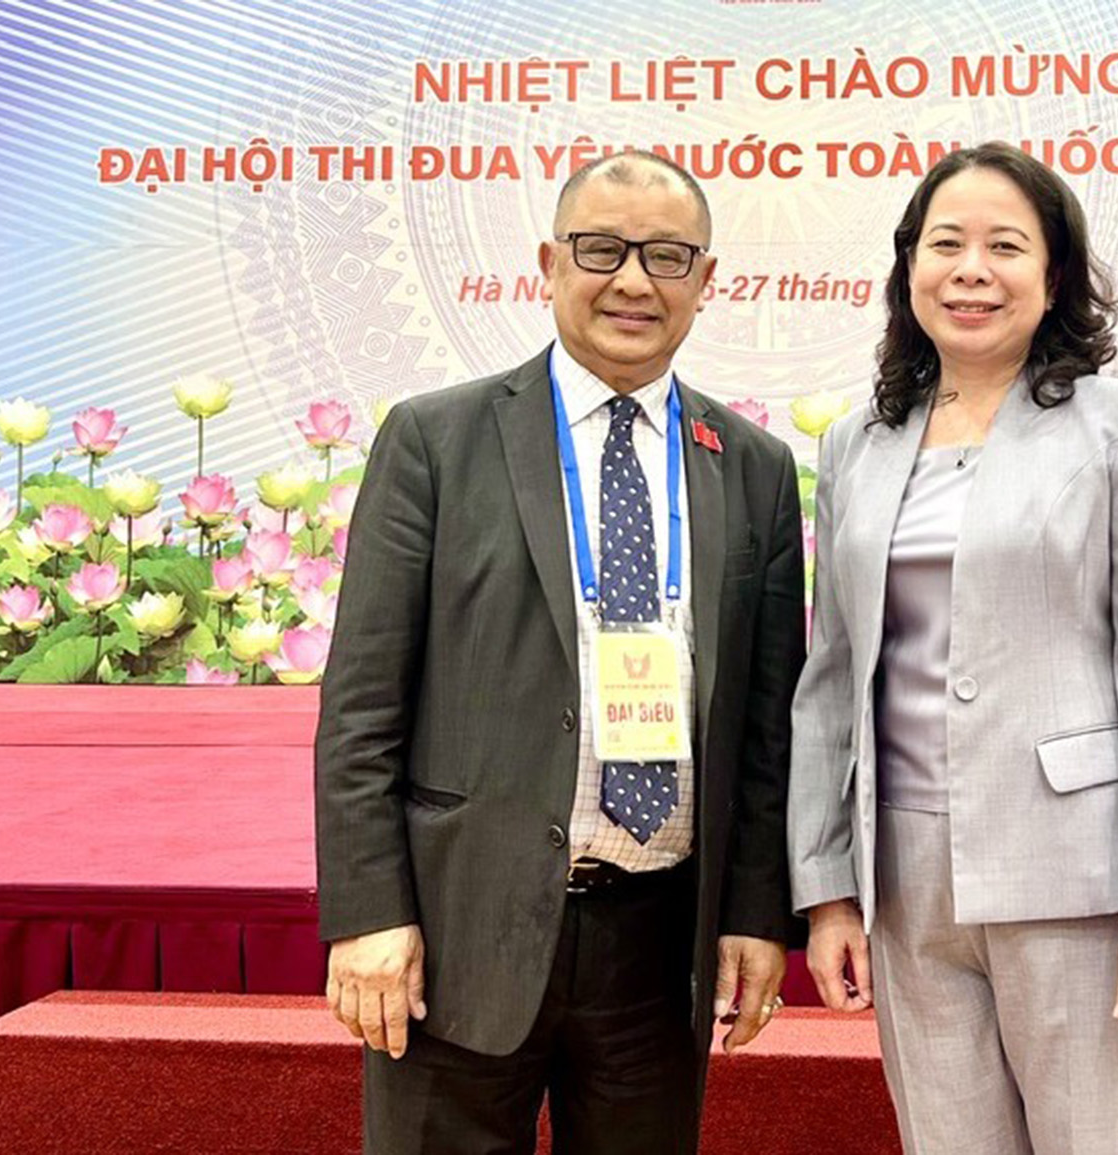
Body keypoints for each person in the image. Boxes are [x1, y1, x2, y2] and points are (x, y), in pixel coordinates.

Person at [316, 151, 805, 1155]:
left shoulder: (752, 467)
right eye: (601, 249)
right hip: (459, 931)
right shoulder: (437, 440)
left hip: (657, 946)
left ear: (706, 281)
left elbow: (766, 726)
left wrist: (757, 913)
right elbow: (362, 708)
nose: (633, 281)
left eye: (667, 257)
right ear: (549, 264)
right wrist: (367, 914)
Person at [788, 142, 1118, 1153]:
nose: (971, 271)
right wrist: (827, 892)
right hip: (907, 884)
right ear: (909, 267)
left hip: (1081, 874)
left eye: (1005, 247)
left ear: (1055, 274)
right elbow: (833, 677)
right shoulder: (858, 442)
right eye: (945, 244)